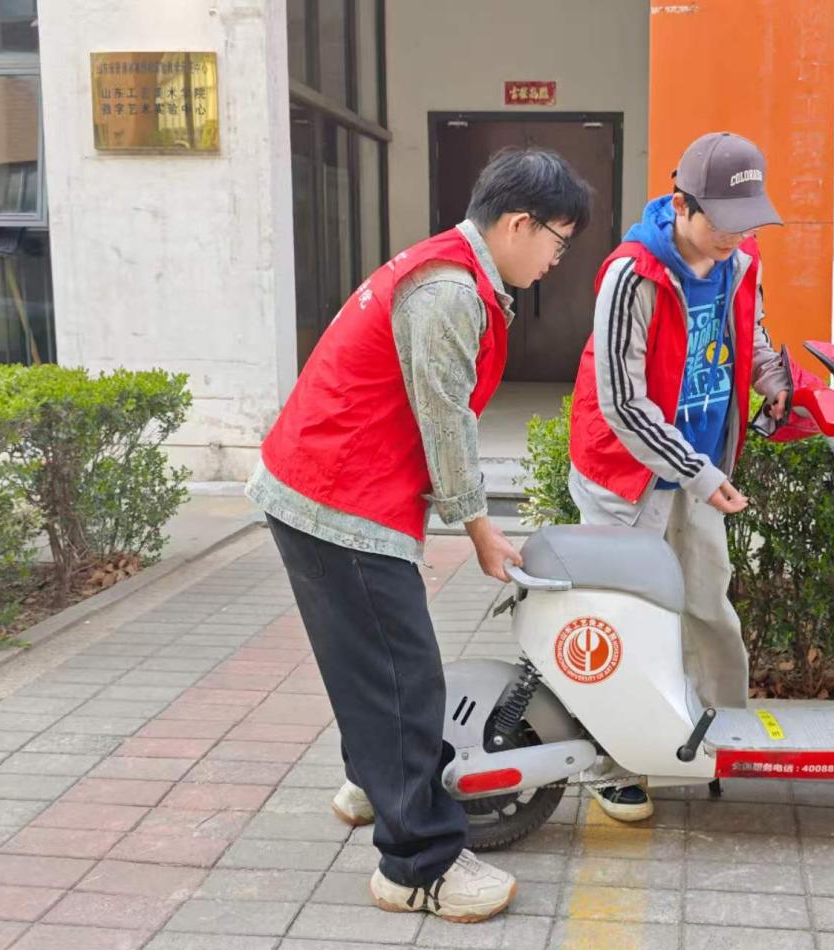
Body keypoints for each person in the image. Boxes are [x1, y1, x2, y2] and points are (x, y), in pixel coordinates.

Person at [246, 148, 592, 921]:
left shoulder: (453, 270)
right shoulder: (449, 291)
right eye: (558, 242)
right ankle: (418, 865)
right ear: (519, 224)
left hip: (326, 484)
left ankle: (374, 784)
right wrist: (478, 528)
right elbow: (446, 419)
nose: (556, 260)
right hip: (337, 499)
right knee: (403, 680)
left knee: (369, 663)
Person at [567, 132, 788, 821]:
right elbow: (623, 402)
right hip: (625, 477)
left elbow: (749, 333)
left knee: (706, 607)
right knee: (626, 623)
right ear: (681, 204)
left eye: (746, 221)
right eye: (722, 220)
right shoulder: (631, 275)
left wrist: (774, 377)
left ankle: (719, 735)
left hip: (699, 466)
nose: (735, 235)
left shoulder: (740, 259)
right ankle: (610, 762)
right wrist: (696, 472)